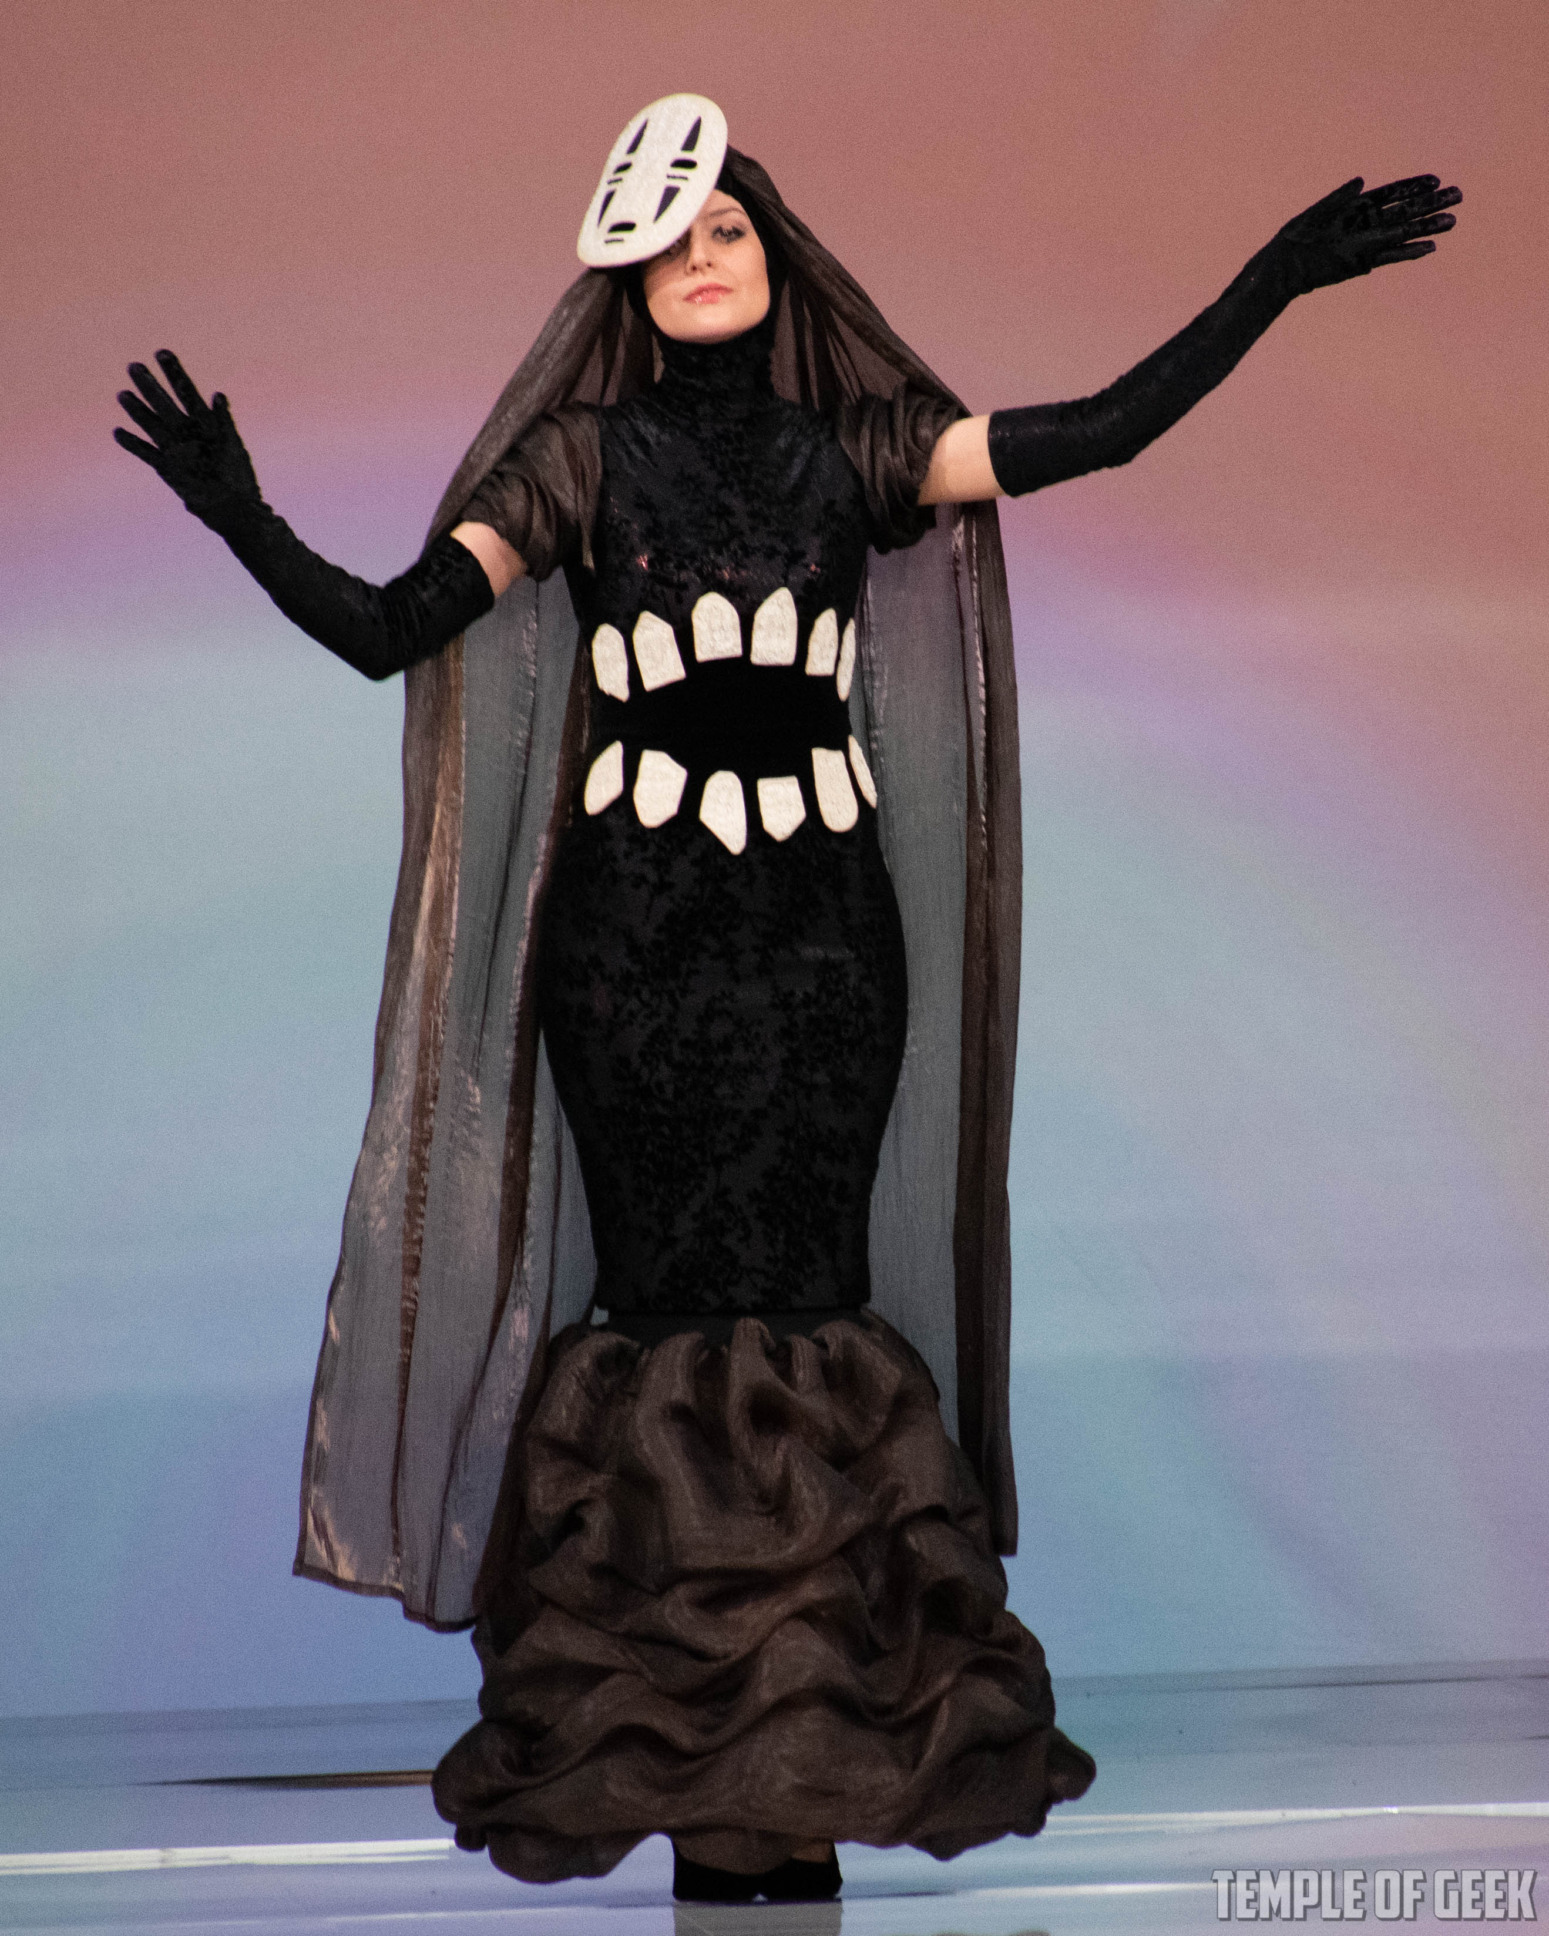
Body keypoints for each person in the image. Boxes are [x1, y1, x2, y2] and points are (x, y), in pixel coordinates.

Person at [115, 95, 1458, 1904]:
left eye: (729, 230)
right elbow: (384, 630)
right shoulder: (574, 465)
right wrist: (238, 511)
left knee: (809, 1301)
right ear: (621, 278)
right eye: (671, 240)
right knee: (672, 1305)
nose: (701, 258)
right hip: (636, 955)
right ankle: (702, 1792)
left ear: (777, 257)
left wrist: (1273, 279)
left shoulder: (857, 453)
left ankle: (801, 1782)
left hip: (822, 947)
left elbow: (1102, 432)